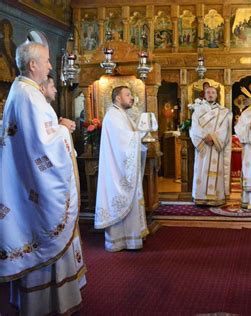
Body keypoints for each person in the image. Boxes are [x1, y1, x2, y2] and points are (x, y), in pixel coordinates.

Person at [0, 41, 85, 315]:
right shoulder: (28, 95)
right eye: (47, 61)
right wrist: (63, 130)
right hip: (36, 186)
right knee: (44, 232)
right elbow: (42, 145)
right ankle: (46, 304)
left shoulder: (23, 91)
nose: (50, 66)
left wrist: (56, 127)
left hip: (27, 183)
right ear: (32, 64)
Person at [94, 86, 149, 252]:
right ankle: (120, 240)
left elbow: (132, 136)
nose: (131, 98)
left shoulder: (121, 114)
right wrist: (143, 133)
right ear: (118, 98)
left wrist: (141, 135)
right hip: (117, 171)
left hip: (123, 167)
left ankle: (131, 237)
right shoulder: (113, 116)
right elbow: (125, 142)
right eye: (128, 94)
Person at [190, 85, 232, 206]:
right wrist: (205, 137)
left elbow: (225, 128)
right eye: (208, 92)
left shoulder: (223, 111)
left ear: (216, 95)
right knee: (202, 171)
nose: (211, 94)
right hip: (203, 146)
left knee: (216, 171)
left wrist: (214, 138)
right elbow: (194, 127)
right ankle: (200, 197)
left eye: (213, 92)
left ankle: (216, 198)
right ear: (204, 94)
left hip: (215, 146)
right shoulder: (198, 111)